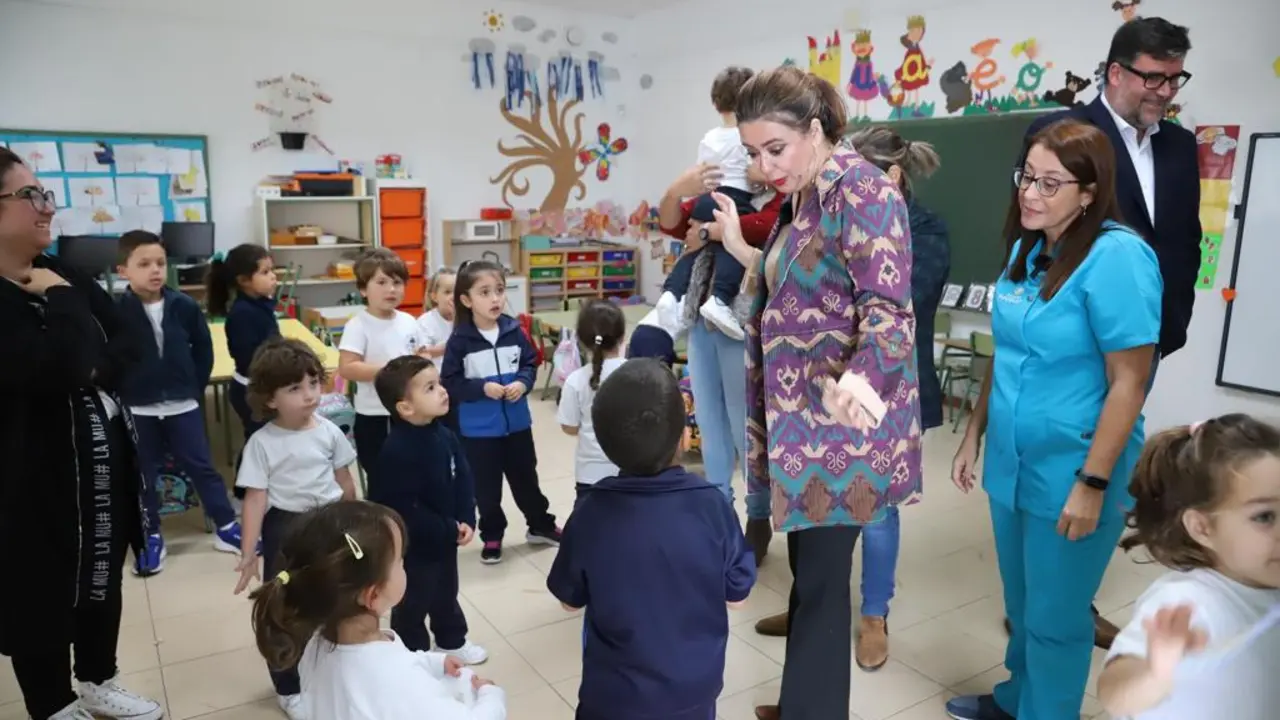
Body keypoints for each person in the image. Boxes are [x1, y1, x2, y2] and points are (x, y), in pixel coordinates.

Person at [711, 66, 922, 719]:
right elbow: (793, 292)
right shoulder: (805, 197)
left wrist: (853, 391)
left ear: (816, 129)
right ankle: (804, 697)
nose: (765, 165)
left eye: (776, 148)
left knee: (826, 592)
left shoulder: (862, 193)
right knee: (811, 583)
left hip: (839, 437)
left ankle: (812, 709)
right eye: (752, 153)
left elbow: (891, 320)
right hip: (797, 432)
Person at [945, 118, 1161, 720]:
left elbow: (1129, 382)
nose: (1030, 194)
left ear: (1089, 191)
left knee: (1058, 619)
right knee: (1021, 603)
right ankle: (1017, 700)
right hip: (1012, 465)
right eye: (1027, 178)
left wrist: (1092, 484)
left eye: (1050, 183)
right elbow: (1006, 352)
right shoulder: (1026, 248)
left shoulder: (1118, 258)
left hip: (1075, 468)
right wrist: (971, 434)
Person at [1019, 17, 1199, 650]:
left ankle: (1071, 586)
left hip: (1143, 335)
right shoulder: (1067, 137)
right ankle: (1048, 594)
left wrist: (1170, 323)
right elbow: (1032, 234)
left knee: (1111, 446)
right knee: (1063, 460)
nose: (1164, 91)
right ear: (1116, 72)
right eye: (1153, 77)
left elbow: (1183, 237)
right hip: (1073, 331)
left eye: (1174, 77)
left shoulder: (1179, 146)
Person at [750, 126, 948, 675]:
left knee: (877, 514)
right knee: (823, 548)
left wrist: (858, 370)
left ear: (891, 176)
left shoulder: (915, 225)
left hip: (880, 394)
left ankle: (874, 615)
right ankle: (816, 620)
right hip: (826, 406)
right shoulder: (811, 209)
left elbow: (897, 306)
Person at [0, 147, 163, 720]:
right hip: (29, 475)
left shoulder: (64, 271)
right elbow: (46, 369)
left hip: (100, 461)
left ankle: (97, 676)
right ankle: (52, 702)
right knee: (37, 586)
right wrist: (65, 308)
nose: (48, 207)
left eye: (45, 193)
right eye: (31, 196)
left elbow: (126, 342)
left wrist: (84, 362)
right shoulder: (55, 285)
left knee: (103, 568)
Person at [547, 358, 756, 720]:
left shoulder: (592, 510)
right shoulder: (712, 504)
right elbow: (738, 596)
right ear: (684, 435)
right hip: (693, 690)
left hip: (613, 695)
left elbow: (569, 601)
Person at [250, 501, 507, 720]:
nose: (405, 566)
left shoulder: (316, 645)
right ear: (373, 595)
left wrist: (434, 663)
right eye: (400, 561)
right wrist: (490, 696)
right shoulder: (396, 682)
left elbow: (395, 662)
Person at [1097, 415, 1280, 720]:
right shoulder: (1188, 603)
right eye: (1264, 517)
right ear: (1203, 528)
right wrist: (1156, 671)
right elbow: (1115, 693)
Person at [656, 145, 785, 568]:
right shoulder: (724, 194)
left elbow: (767, 227)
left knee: (743, 423)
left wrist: (711, 231)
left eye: (758, 151)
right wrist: (679, 187)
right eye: (747, 152)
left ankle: (757, 515)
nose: (751, 161)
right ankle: (718, 512)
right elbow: (674, 223)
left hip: (741, 323)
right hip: (701, 319)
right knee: (709, 423)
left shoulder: (784, 197)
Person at [232, 337, 359, 720]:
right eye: (294, 388)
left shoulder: (329, 431)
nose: (309, 395)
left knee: (334, 599)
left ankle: (330, 668)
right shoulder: (262, 443)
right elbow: (255, 500)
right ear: (269, 399)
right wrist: (249, 551)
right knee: (285, 610)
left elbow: (346, 481)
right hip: (285, 532)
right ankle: (288, 686)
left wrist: (355, 525)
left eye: (314, 383)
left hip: (329, 523)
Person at [114, 230, 243, 575]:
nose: (155, 270)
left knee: (202, 466)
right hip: (138, 408)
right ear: (123, 270)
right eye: (144, 264)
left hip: (182, 405)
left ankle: (227, 527)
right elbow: (109, 357)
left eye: (159, 263)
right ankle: (149, 534)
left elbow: (203, 349)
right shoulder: (115, 311)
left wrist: (192, 387)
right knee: (142, 474)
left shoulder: (183, 305)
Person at [370, 355, 488, 665]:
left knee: (446, 591)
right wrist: (447, 527)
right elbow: (402, 509)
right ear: (405, 407)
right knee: (412, 601)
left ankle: (452, 640)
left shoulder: (443, 433)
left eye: (439, 383)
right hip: (413, 546)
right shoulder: (397, 451)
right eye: (430, 388)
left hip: (446, 535)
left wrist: (466, 517)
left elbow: (462, 475)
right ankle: (414, 656)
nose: (442, 391)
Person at [440, 260, 559, 564]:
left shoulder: (513, 330)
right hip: (479, 431)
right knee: (486, 488)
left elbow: (530, 363)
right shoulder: (460, 340)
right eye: (485, 292)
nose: (495, 298)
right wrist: (482, 388)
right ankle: (492, 535)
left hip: (517, 424)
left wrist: (523, 382)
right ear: (466, 300)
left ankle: (540, 525)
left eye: (499, 290)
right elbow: (450, 383)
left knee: (526, 479)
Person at [337, 249, 426, 494]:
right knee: (383, 478)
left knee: (415, 473)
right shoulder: (358, 325)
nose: (391, 289)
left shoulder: (409, 321)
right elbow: (347, 367)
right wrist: (392, 371)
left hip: (411, 412)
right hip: (377, 416)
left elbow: (421, 354)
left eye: (397, 283)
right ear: (363, 289)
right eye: (382, 282)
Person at [207, 242, 280, 500]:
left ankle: (257, 489)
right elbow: (250, 358)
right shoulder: (243, 314)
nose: (273, 277)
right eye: (265, 272)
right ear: (244, 281)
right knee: (257, 442)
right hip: (252, 389)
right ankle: (242, 494)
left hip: (262, 385)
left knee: (262, 440)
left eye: (272, 270)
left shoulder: (260, 304)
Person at [558, 299, 626, 502]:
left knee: (591, 528)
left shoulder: (575, 381)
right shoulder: (638, 372)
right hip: (632, 470)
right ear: (622, 336)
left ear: (580, 339)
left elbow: (569, 427)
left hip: (590, 474)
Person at [417, 267, 457, 358]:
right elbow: (423, 353)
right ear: (434, 297)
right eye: (447, 292)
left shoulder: (467, 319)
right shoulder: (425, 322)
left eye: (457, 291)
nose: (454, 297)